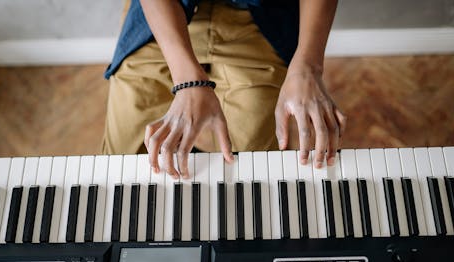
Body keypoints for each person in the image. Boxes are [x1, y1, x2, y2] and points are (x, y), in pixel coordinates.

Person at [103, 0, 346, 179]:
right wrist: (188, 82)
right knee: (121, 163)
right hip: (166, 14)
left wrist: (308, 66)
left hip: (264, 17)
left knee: (257, 168)